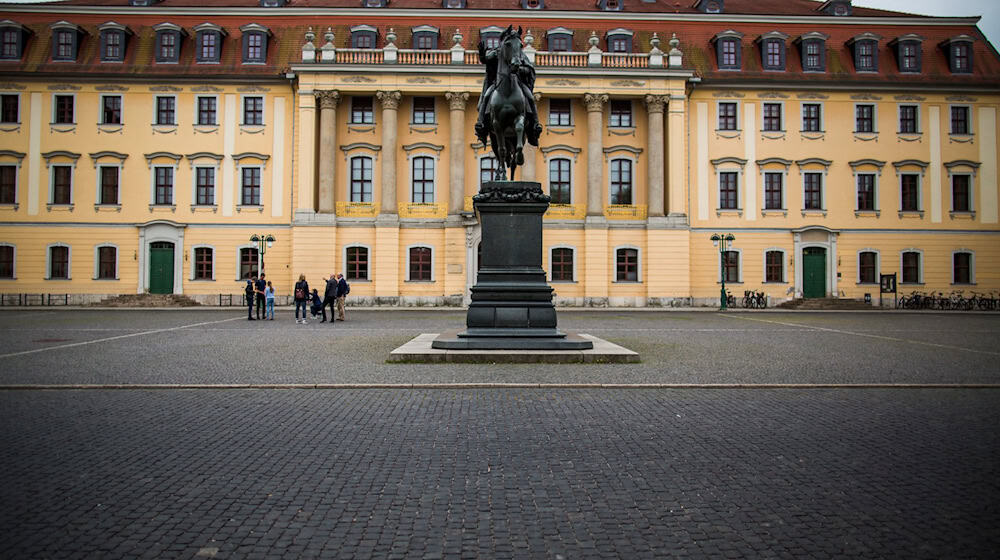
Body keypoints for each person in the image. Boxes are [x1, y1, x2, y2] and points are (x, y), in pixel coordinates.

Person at [474, 27, 541, 150]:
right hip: (498, 84)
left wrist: (520, 69)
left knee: (530, 97)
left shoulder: (520, 54)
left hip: (518, 83)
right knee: (487, 95)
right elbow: (486, 60)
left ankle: (536, 124)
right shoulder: (498, 52)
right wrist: (482, 54)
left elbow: (529, 70)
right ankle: (480, 123)